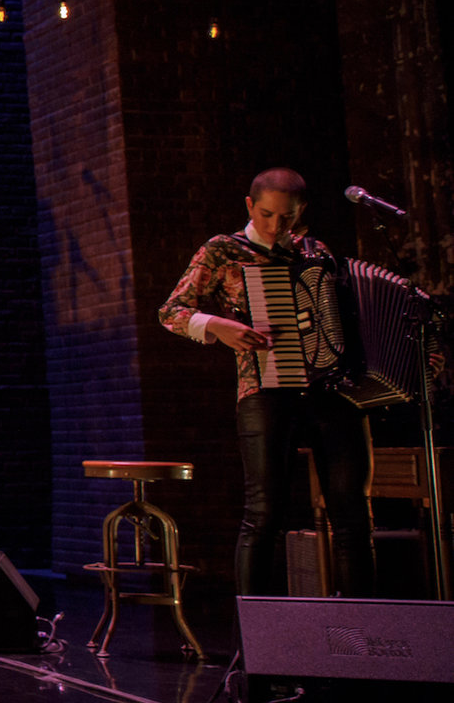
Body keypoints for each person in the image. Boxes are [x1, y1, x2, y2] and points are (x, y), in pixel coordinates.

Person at [159, 167, 374, 597]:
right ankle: (254, 640)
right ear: (249, 206)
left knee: (351, 516)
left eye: (288, 217)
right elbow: (171, 311)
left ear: (301, 212)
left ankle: (360, 635)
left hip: (330, 391)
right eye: (267, 215)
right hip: (265, 392)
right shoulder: (223, 250)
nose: (277, 227)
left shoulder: (316, 252)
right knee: (264, 514)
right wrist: (218, 325)